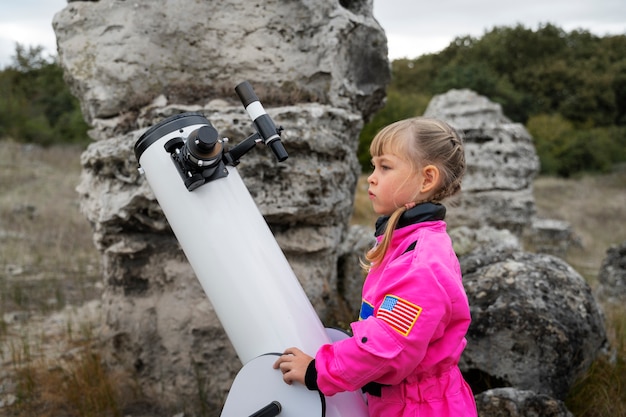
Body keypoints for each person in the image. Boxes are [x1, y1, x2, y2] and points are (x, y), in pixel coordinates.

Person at [273, 117, 478, 416]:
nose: (371, 177)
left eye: (385, 167)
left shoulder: (419, 264)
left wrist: (317, 371)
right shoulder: (403, 244)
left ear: (426, 179)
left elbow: (386, 348)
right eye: (373, 166)